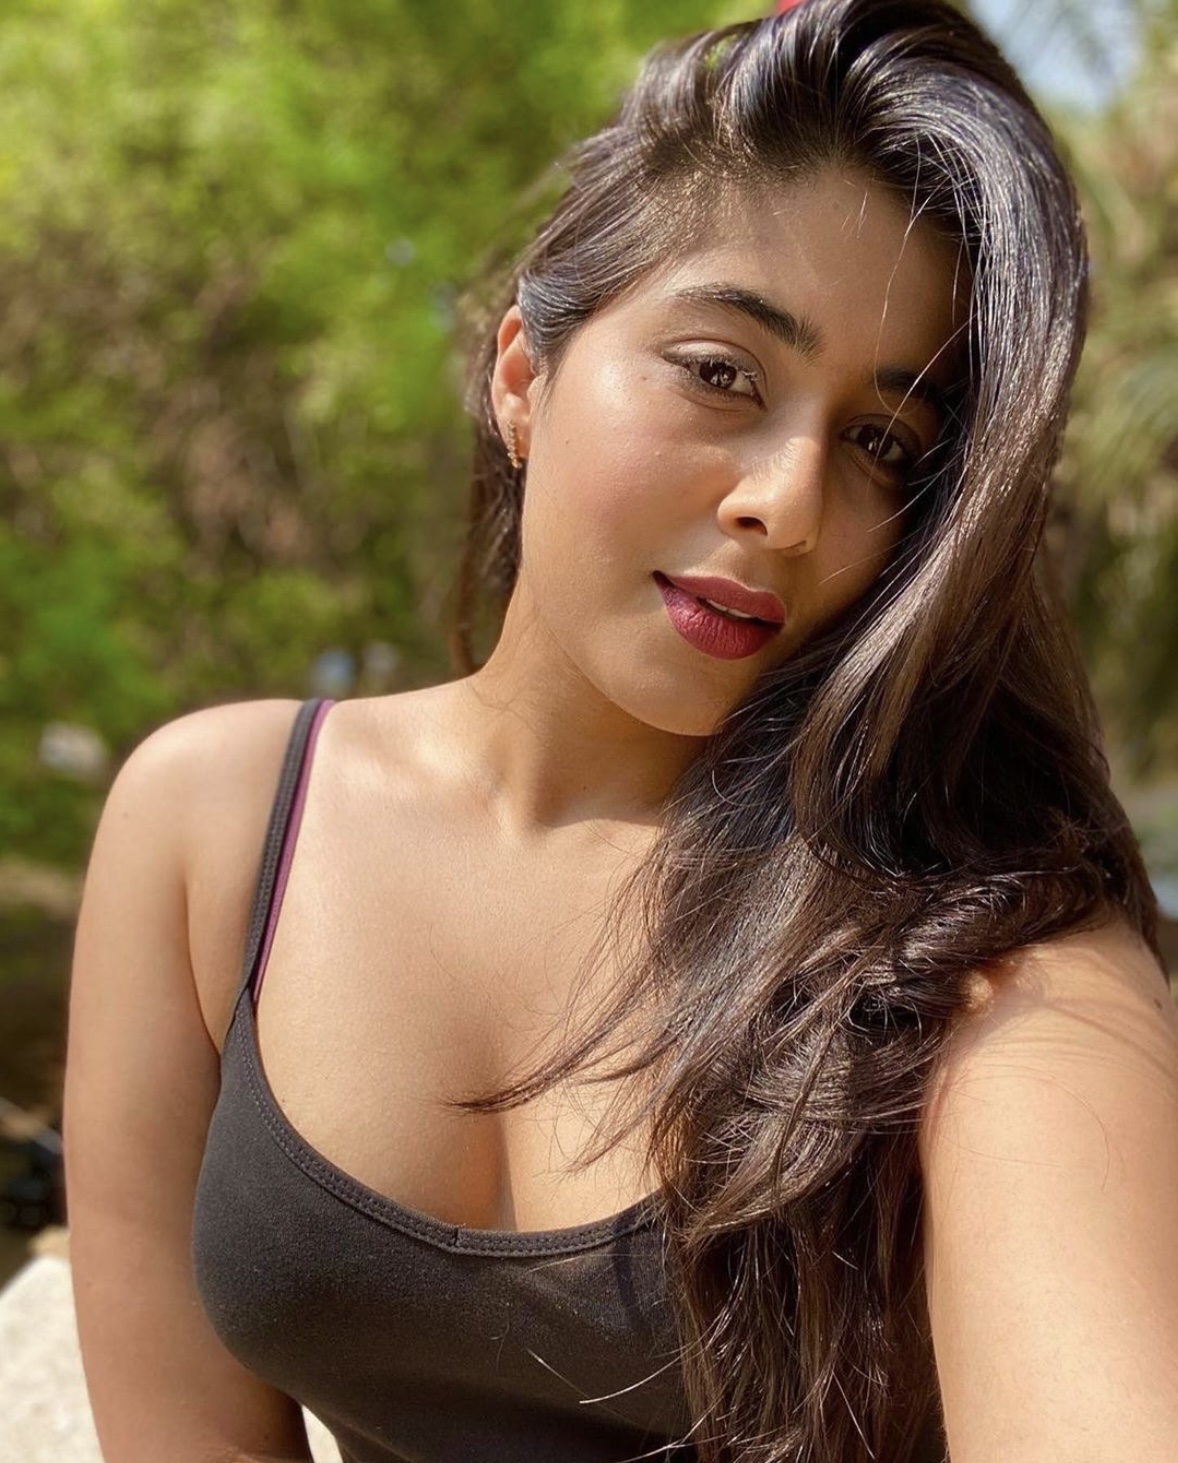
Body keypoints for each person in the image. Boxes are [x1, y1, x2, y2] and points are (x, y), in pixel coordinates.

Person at [63, 0, 1178, 1460]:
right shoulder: (214, 825)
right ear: (522, 378)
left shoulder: (988, 948)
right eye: (722, 372)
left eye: (880, 442)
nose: (785, 503)